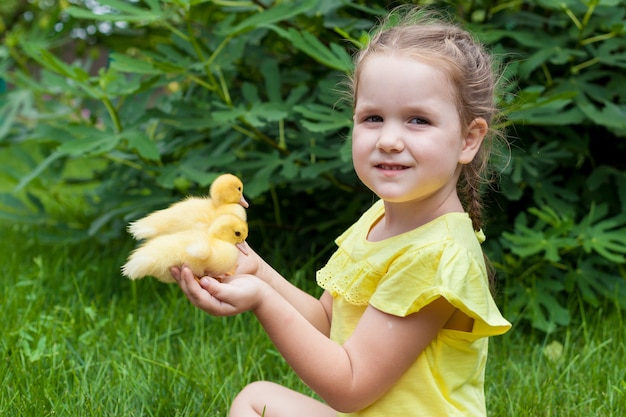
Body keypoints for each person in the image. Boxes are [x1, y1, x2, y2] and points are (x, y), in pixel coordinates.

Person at [171, 6, 511, 417]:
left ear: (468, 140)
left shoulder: (438, 256)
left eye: (417, 120)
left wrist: (262, 299)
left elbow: (350, 387)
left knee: (258, 401)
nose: (388, 139)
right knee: (257, 400)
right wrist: (257, 272)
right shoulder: (378, 222)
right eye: (372, 117)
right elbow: (327, 325)